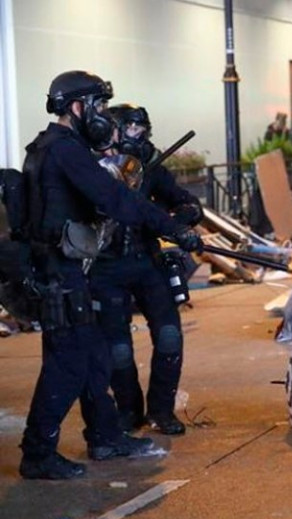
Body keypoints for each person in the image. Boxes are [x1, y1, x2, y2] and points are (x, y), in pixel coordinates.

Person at [18, 71, 202, 480]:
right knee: (66, 364)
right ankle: (37, 452)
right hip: (61, 274)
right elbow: (116, 199)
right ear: (78, 107)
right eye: (99, 106)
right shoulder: (65, 150)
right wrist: (175, 230)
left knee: (93, 357)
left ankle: (104, 436)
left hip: (65, 271)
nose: (103, 116)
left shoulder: (52, 147)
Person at [89, 103, 203, 435]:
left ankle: (161, 410)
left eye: (144, 130)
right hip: (106, 268)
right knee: (118, 348)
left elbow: (186, 202)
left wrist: (177, 222)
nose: (140, 136)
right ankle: (128, 410)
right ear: (115, 130)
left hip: (147, 262)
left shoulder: (150, 166)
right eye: (133, 130)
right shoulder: (93, 165)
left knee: (169, 336)